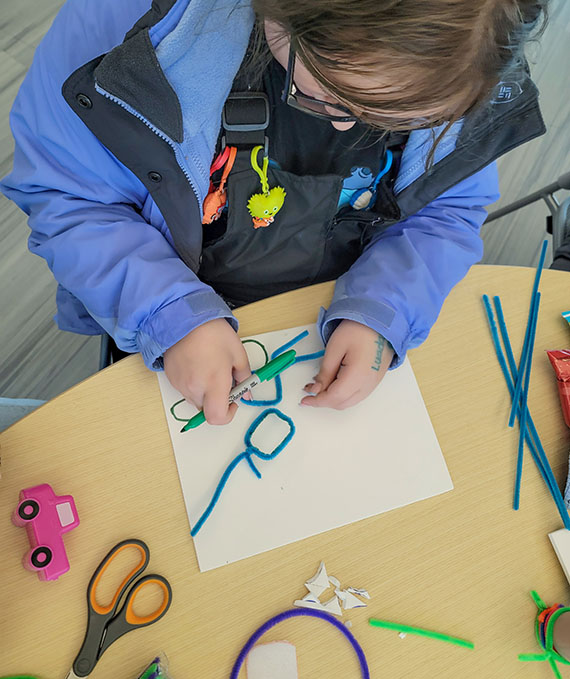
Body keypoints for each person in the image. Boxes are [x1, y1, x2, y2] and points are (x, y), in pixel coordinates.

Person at [0, 0, 548, 425]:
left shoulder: (473, 44)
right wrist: (166, 315)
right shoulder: (128, 30)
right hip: (162, 304)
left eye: (400, 119)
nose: (345, 128)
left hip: (333, 310)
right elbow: (69, 198)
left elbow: (446, 207)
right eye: (332, 98)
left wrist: (386, 307)